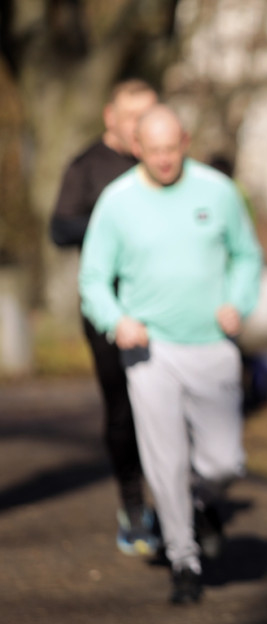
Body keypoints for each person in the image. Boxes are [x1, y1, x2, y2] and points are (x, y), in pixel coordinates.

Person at [78, 105, 263, 605]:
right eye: (152, 150)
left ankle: (200, 502)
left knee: (225, 462)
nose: (163, 160)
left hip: (213, 345)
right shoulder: (117, 202)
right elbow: (92, 278)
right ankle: (184, 560)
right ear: (137, 148)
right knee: (165, 461)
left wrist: (237, 303)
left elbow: (247, 255)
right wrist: (117, 320)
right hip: (150, 351)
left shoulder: (217, 192)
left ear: (185, 139)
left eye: (171, 148)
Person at [50, 78, 160, 556]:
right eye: (132, 116)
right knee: (124, 410)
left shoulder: (161, 163)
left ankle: (190, 503)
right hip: (109, 310)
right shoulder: (86, 166)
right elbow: (59, 227)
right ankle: (133, 506)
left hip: (164, 307)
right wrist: (110, 220)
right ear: (110, 117)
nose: (141, 125)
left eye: (150, 113)